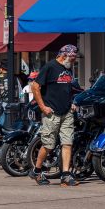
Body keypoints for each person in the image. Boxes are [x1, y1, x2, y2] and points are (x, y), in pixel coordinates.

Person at [30, 45, 79, 187]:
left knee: (67, 143)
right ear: (64, 56)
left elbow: (67, 88)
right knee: (48, 145)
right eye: (72, 58)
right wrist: (42, 107)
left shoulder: (68, 68)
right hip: (51, 113)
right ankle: (37, 170)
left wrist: (72, 102)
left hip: (67, 112)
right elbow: (35, 86)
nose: (74, 61)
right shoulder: (50, 67)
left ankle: (65, 175)